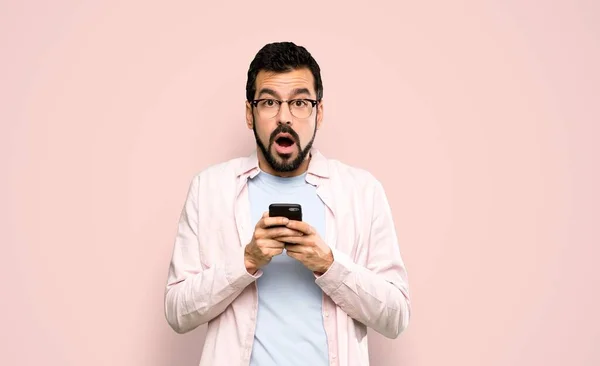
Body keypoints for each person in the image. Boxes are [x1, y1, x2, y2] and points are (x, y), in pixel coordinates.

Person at [164, 41, 411, 366]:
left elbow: (396, 317)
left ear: (318, 112)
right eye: (268, 102)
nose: (284, 117)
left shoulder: (362, 191)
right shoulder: (209, 189)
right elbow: (177, 313)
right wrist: (246, 262)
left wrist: (328, 264)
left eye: (299, 102)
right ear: (250, 114)